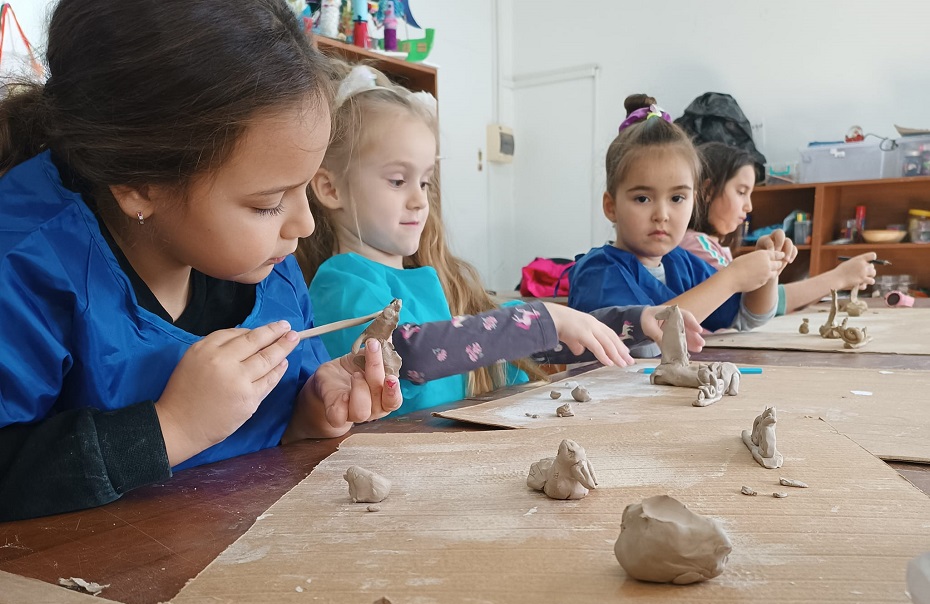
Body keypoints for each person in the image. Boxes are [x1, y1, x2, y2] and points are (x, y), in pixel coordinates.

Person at [0, 0, 403, 522]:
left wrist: (311, 412)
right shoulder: (25, 267)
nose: (304, 225)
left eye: (304, 186)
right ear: (139, 185)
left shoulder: (269, 265)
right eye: (268, 203)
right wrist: (170, 428)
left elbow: (278, 429)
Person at [296, 66, 705, 416]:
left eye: (425, 182)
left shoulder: (426, 283)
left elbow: (504, 341)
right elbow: (410, 353)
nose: (420, 200)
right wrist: (543, 319)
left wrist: (632, 322)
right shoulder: (341, 283)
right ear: (331, 189)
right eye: (398, 180)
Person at [569, 94, 797, 333]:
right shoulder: (598, 273)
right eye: (642, 198)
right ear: (611, 207)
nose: (662, 215)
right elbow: (643, 339)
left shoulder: (682, 264)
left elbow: (746, 318)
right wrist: (731, 279)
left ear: (694, 201)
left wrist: (769, 269)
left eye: (677, 198)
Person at [682, 142, 876, 314]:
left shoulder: (709, 245)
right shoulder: (695, 245)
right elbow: (748, 307)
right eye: (741, 192)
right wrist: (839, 277)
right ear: (708, 191)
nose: (749, 206)